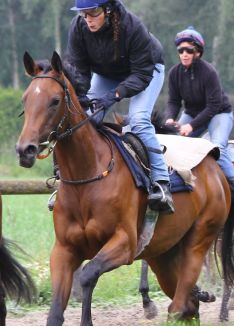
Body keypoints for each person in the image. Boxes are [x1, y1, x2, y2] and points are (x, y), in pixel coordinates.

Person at [61, 0, 174, 214]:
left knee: (139, 119)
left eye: (93, 12)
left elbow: (141, 75)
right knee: (83, 116)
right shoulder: (78, 27)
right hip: (107, 73)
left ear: (108, 9)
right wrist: (82, 96)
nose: (88, 19)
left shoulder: (132, 27)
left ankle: (161, 183)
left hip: (145, 69)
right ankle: (75, 182)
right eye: (83, 13)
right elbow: (79, 71)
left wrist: (114, 95)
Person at [165, 26, 234, 192]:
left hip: (219, 114)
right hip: (192, 114)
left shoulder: (209, 72)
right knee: (174, 143)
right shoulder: (174, 73)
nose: (184, 53)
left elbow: (213, 106)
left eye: (189, 50)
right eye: (180, 49)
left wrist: (191, 126)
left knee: (218, 148)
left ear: (197, 52)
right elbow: (173, 101)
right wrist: (170, 118)